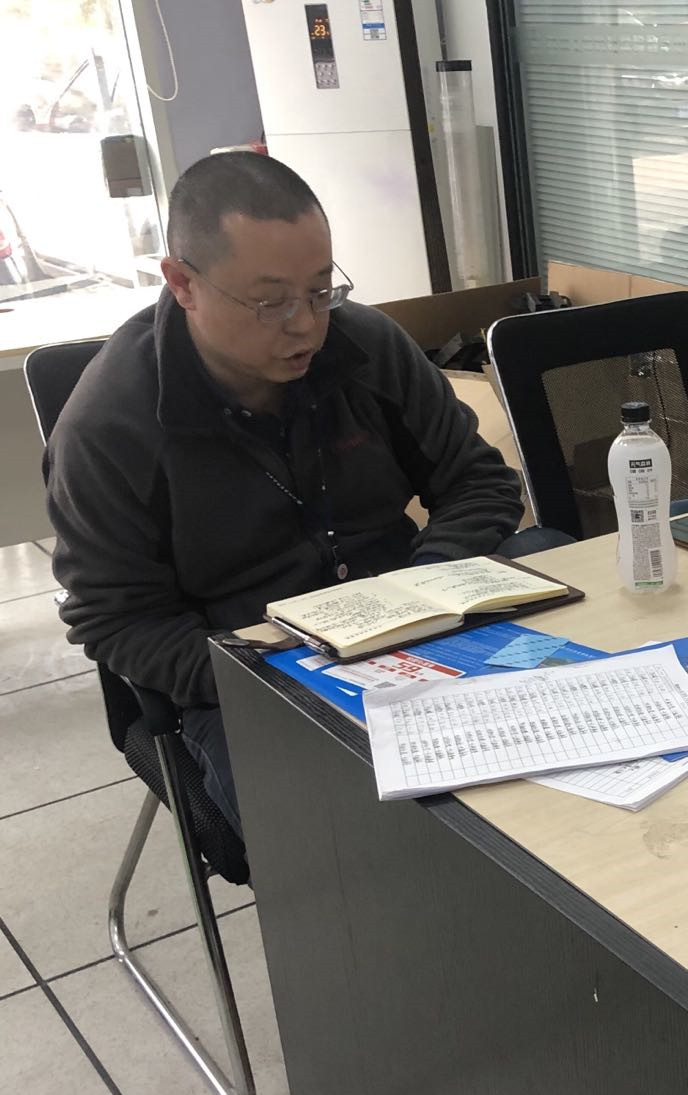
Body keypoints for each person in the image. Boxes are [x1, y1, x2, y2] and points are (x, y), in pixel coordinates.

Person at [43, 152, 536, 840]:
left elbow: (478, 481)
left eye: (321, 290)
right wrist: (277, 670)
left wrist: (426, 589)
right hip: (253, 674)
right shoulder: (110, 426)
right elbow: (117, 620)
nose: (306, 324)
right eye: (271, 302)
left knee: (564, 739)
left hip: (420, 629)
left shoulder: (365, 346)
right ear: (182, 283)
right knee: (364, 845)